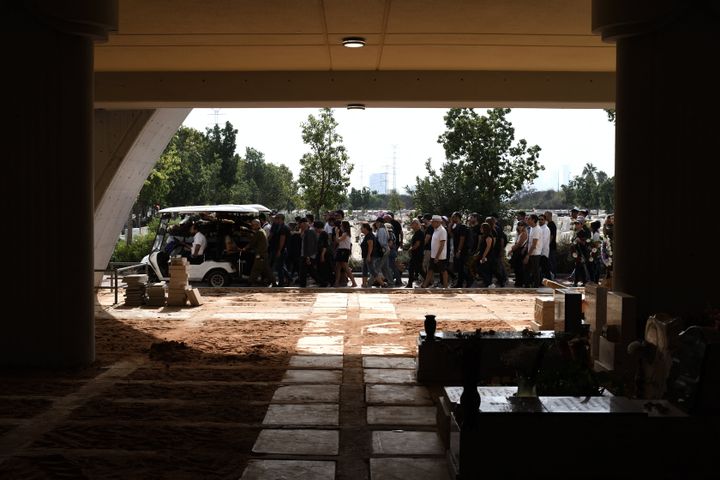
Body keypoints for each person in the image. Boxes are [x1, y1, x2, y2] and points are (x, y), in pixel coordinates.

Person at [243, 219, 274, 286]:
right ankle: (274, 282)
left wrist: (244, 248)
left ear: (257, 225)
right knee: (266, 270)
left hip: (260, 254)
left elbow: (252, 243)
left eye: (253, 225)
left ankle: (250, 283)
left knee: (255, 269)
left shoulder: (259, 232)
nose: (252, 226)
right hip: (263, 254)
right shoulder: (262, 231)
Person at [422, 215, 448, 288]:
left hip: (440, 256)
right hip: (433, 255)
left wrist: (437, 256)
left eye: (432, 222)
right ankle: (424, 285)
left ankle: (445, 286)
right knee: (430, 270)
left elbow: (442, 245)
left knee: (443, 271)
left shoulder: (442, 231)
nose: (431, 223)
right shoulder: (435, 230)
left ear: (437, 222)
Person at [334, 220, 357, 287]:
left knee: (345, 267)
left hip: (343, 251)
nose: (340, 226)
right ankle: (337, 282)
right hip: (341, 250)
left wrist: (336, 233)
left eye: (341, 225)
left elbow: (338, 240)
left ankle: (353, 282)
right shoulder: (345, 233)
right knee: (338, 267)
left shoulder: (345, 234)